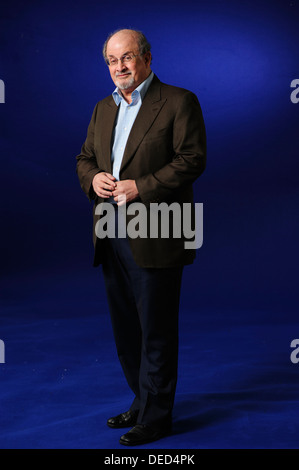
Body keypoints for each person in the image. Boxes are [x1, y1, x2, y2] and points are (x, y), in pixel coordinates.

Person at [76, 28, 206, 446]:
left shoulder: (179, 101)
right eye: (112, 61)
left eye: (127, 58)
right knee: (127, 329)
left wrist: (140, 186)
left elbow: (192, 160)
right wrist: (93, 177)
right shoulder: (102, 108)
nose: (120, 67)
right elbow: (84, 158)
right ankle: (142, 399)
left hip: (160, 228)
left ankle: (157, 417)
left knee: (156, 329)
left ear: (147, 58)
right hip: (112, 230)